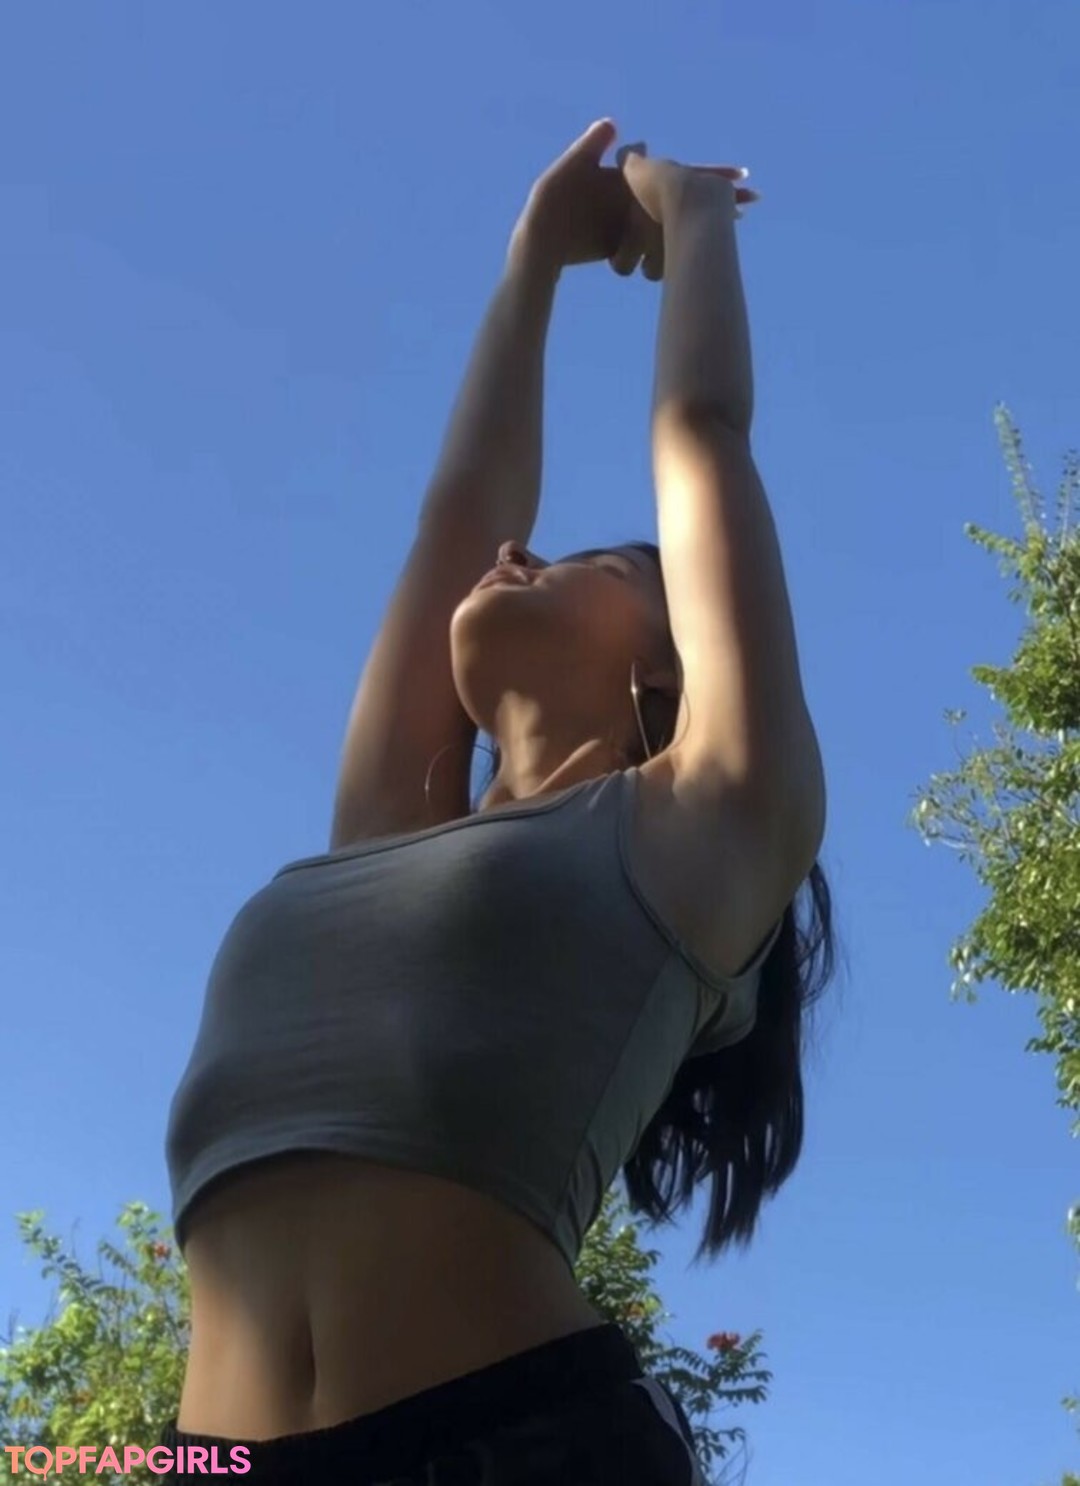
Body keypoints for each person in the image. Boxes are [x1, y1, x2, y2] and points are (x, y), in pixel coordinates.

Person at [161, 120, 835, 1484]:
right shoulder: (387, 834)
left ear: (670, 666)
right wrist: (532, 261)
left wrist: (694, 218)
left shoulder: (700, 829)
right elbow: (457, 517)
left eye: (591, 560)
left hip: (521, 1442)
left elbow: (701, 433)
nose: (518, 551)